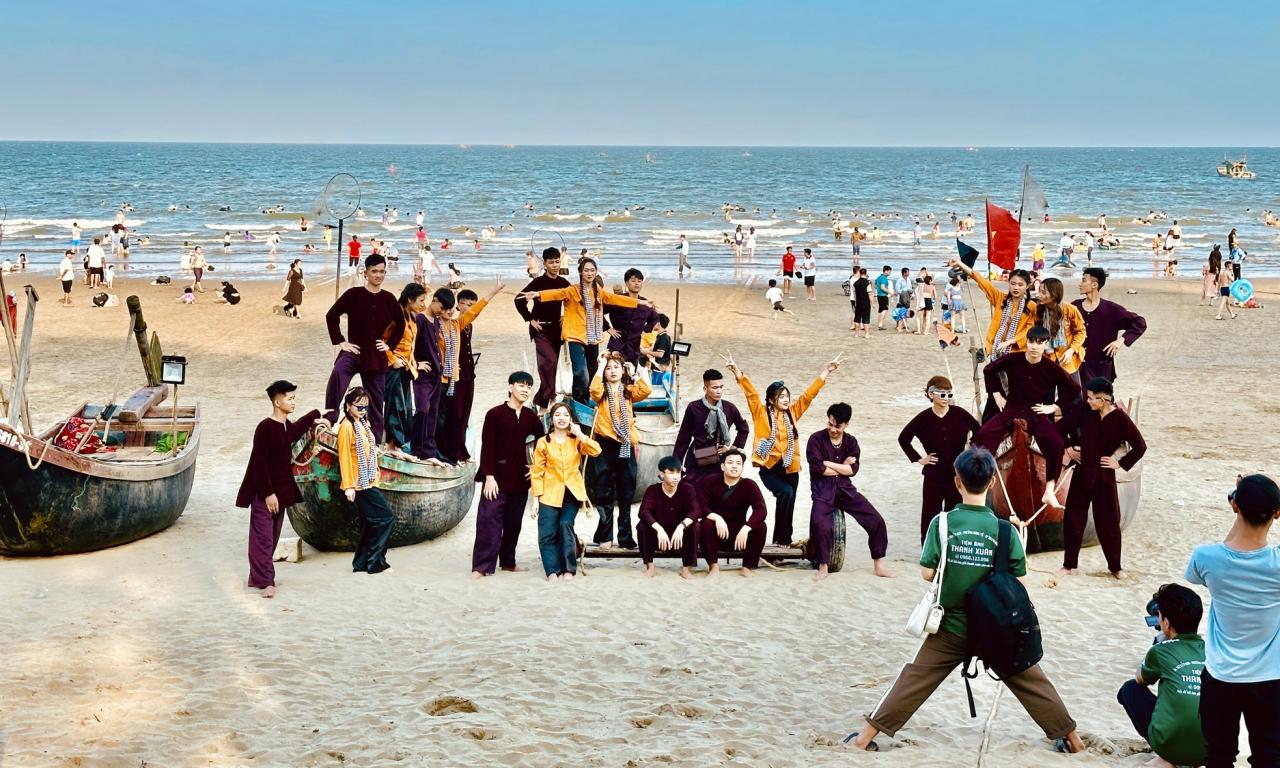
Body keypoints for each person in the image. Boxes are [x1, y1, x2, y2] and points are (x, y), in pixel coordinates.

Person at [848, 447, 1086, 754]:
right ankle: (1074, 741)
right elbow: (1020, 581)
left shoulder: (943, 523)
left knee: (914, 679)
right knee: (1032, 682)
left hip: (951, 626)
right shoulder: (1005, 530)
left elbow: (926, 572)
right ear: (991, 484)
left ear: (957, 482)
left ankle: (863, 740)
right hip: (998, 630)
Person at [1185, 473, 1280, 768]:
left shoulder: (1207, 557)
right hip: (1271, 677)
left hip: (1221, 674)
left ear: (1235, 507)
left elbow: (1219, 555)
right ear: (1276, 514)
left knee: (1219, 755)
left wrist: (1237, 502)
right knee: (1269, 757)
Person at [723, 351, 839, 547]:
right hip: (769, 466)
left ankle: (782, 540)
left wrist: (826, 371)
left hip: (789, 466)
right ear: (770, 400)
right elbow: (751, 394)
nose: (785, 400)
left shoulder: (792, 413)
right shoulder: (761, 412)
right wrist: (737, 373)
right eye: (780, 397)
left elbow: (808, 396)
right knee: (785, 493)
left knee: (789, 501)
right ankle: (781, 540)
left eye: (786, 396)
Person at [235, 380, 326, 598]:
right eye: (289, 398)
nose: (293, 402)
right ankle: (267, 582)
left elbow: (297, 429)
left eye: (294, 398)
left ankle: (256, 578)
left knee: (272, 538)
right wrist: (267, 494)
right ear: (277, 401)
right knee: (263, 539)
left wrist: (318, 413)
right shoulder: (265, 427)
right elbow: (258, 463)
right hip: (264, 494)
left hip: (281, 494)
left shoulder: (285, 426)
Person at [973, 326, 1079, 507]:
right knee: (982, 436)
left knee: (1056, 443)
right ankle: (982, 483)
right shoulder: (1014, 359)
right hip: (1011, 409)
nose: (1034, 347)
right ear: (1027, 342)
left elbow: (1074, 388)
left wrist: (1054, 407)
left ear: (1046, 345)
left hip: (1035, 413)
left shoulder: (1050, 367)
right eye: (1031, 342)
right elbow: (989, 370)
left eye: (1039, 343)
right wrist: (996, 394)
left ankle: (1049, 490)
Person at [519, 257, 646, 404]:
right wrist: (538, 294)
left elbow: (615, 299)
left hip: (593, 338)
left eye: (592, 270)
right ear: (580, 272)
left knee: (592, 373)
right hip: (575, 337)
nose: (589, 273)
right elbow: (557, 293)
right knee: (580, 372)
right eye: (586, 270)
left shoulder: (598, 291)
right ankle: (579, 402)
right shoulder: (573, 290)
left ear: (596, 272)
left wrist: (639, 302)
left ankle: (582, 400)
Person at [1056, 377, 1146, 577]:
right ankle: (1069, 565)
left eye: (1091, 398)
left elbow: (1140, 446)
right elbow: (1059, 428)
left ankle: (1115, 567)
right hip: (1082, 472)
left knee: (1109, 523)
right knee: (1073, 518)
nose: (1087, 401)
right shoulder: (1084, 411)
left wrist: (1120, 463)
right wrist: (1069, 449)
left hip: (1105, 477)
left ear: (1103, 400)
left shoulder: (1121, 419)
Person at [1116, 584, 1207, 768]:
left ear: (1165, 623)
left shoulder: (1161, 651)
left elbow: (1140, 678)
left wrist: (1159, 643)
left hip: (1170, 747)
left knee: (1129, 690)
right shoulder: (1212, 650)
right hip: (1210, 750)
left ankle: (1166, 757)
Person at [471, 371, 544, 579]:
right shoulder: (494, 414)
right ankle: (481, 567)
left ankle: (508, 562)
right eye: (521, 385)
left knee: (513, 524)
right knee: (488, 523)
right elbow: (487, 447)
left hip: (520, 480)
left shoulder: (531, 417)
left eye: (529, 387)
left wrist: (536, 466)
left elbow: (543, 442)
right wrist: (489, 476)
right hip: (495, 479)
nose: (525, 389)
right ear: (510, 387)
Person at [806, 402, 890, 579]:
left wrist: (828, 463)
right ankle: (823, 567)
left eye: (837, 426)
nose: (833, 429)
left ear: (846, 424)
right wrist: (840, 466)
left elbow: (852, 471)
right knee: (820, 525)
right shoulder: (815, 439)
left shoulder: (851, 441)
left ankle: (878, 565)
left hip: (846, 491)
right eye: (830, 424)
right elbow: (818, 469)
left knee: (876, 521)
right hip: (823, 492)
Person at [323, 254, 401, 442]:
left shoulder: (389, 298)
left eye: (382, 271)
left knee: (375, 400)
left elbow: (401, 323)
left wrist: (389, 345)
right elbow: (331, 316)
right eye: (374, 271)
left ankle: (374, 440)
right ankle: (328, 420)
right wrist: (341, 341)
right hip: (354, 351)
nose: (378, 275)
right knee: (338, 374)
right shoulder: (353, 294)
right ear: (365, 273)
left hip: (375, 355)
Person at [898, 376, 980, 542]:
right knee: (930, 514)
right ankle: (928, 549)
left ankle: (951, 548)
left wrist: (971, 449)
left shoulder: (960, 414)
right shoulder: (923, 418)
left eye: (949, 395)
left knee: (954, 512)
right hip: (933, 474)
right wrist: (919, 459)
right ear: (931, 394)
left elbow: (979, 431)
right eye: (942, 394)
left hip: (957, 474)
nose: (946, 399)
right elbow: (903, 438)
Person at [530, 402, 602, 581]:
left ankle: (568, 569)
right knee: (547, 532)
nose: (561, 418)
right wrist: (535, 500)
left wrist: (580, 434)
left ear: (571, 419)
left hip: (572, 492)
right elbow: (537, 472)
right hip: (549, 492)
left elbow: (596, 450)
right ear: (551, 419)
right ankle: (552, 571)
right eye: (557, 415)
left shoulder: (575, 439)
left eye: (565, 415)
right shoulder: (543, 442)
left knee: (565, 525)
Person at [587, 352, 652, 549]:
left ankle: (625, 537)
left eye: (616, 367)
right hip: (605, 445)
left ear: (622, 370)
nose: (612, 371)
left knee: (626, 492)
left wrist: (635, 373)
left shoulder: (629, 390)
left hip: (625, 443)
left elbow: (646, 390)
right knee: (604, 490)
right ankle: (605, 536)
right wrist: (599, 366)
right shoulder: (601, 393)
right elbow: (593, 390)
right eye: (609, 368)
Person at [438, 283, 502, 464]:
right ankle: (453, 452)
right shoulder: (454, 324)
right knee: (455, 414)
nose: (471, 308)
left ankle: (461, 450)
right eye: (467, 304)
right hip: (455, 376)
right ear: (458, 305)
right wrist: (493, 292)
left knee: (465, 414)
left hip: (468, 375)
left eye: (473, 304)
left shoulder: (468, 326)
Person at [336, 387, 395, 574]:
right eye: (358, 406)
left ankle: (361, 563)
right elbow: (344, 456)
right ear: (347, 405)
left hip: (369, 480)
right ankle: (376, 563)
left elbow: (369, 447)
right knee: (385, 519)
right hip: (359, 484)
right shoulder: (346, 427)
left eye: (365, 407)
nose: (362, 410)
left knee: (370, 522)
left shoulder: (362, 422)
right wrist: (349, 486)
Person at [696, 449, 768, 577]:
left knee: (761, 526)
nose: (734, 466)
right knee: (706, 523)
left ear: (742, 467)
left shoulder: (749, 485)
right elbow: (700, 506)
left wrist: (746, 528)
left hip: (739, 537)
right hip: (717, 535)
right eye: (730, 463)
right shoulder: (710, 481)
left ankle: (747, 567)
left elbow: (761, 510)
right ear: (722, 466)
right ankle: (713, 566)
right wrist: (717, 518)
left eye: (738, 463)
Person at [672, 368, 750, 481]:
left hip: (719, 461)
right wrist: (676, 466)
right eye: (715, 387)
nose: (719, 391)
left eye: (721, 387)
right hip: (696, 460)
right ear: (705, 388)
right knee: (694, 492)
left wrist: (732, 449)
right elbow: (683, 438)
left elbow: (744, 428)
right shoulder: (694, 408)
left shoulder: (729, 408)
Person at [1073, 268, 1147, 385]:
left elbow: (1140, 322)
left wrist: (1121, 340)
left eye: (1083, 280)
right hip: (1077, 368)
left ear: (1094, 285)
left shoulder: (1111, 309)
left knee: (1102, 401)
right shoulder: (1074, 307)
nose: (1080, 284)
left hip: (1101, 370)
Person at [381, 283, 427, 459]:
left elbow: (411, 347)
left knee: (406, 408)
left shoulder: (412, 317)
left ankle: (397, 444)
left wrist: (415, 364)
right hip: (394, 369)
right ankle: (391, 445)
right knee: (395, 406)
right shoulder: (396, 316)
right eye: (421, 300)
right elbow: (381, 341)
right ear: (410, 299)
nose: (423, 304)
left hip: (407, 368)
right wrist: (392, 360)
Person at [410, 288, 455, 464]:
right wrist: (415, 363)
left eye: (446, 310)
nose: (443, 312)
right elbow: (410, 344)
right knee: (422, 409)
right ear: (434, 301)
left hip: (436, 373)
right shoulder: (420, 319)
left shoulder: (436, 321)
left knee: (433, 412)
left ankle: (428, 449)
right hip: (423, 374)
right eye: (442, 308)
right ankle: (417, 448)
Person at [637, 456, 700, 578]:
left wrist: (681, 527)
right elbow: (644, 512)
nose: (676, 476)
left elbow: (696, 511)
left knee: (695, 526)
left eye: (678, 472)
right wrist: (659, 529)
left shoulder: (687, 489)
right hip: (659, 538)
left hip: (680, 537)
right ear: (661, 474)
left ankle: (687, 568)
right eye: (671, 472)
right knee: (642, 526)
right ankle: (650, 566)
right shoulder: (653, 490)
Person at [1034, 277, 1086, 383]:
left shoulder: (1070, 309)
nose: (1039, 295)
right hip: (1047, 357)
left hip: (1068, 358)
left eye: (1043, 292)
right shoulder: (1038, 310)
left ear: (1054, 294)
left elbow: (1081, 332)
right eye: (1039, 291)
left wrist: (1071, 351)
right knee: (1047, 395)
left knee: (1074, 394)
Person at [604, 268, 659, 365]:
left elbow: (655, 318)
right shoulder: (618, 299)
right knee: (614, 373)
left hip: (635, 346)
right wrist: (607, 328)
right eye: (633, 281)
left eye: (639, 281)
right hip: (617, 344)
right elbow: (599, 311)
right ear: (626, 283)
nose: (636, 283)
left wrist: (644, 331)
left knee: (632, 375)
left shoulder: (645, 303)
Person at [851, 267, 871, 337]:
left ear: (860, 273)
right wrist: (872, 303)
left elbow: (854, 294)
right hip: (866, 303)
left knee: (857, 319)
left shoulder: (855, 283)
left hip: (858, 303)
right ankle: (866, 334)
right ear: (866, 273)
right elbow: (870, 294)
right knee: (866, 319)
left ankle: (856, 334)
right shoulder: (867, 283)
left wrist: (856, 302)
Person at [874, 265, 892, 329]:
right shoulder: (884, 278)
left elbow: (875, 285)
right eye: (889, 271)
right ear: (886, 271)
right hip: (883, 296)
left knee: (881, 310)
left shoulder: (879, 277)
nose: (890, 273)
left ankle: (879, 324)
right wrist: (890, 292)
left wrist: (877, 292)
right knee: (885, 309)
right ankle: (880, 324)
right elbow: (882, 287)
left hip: (879, 295)